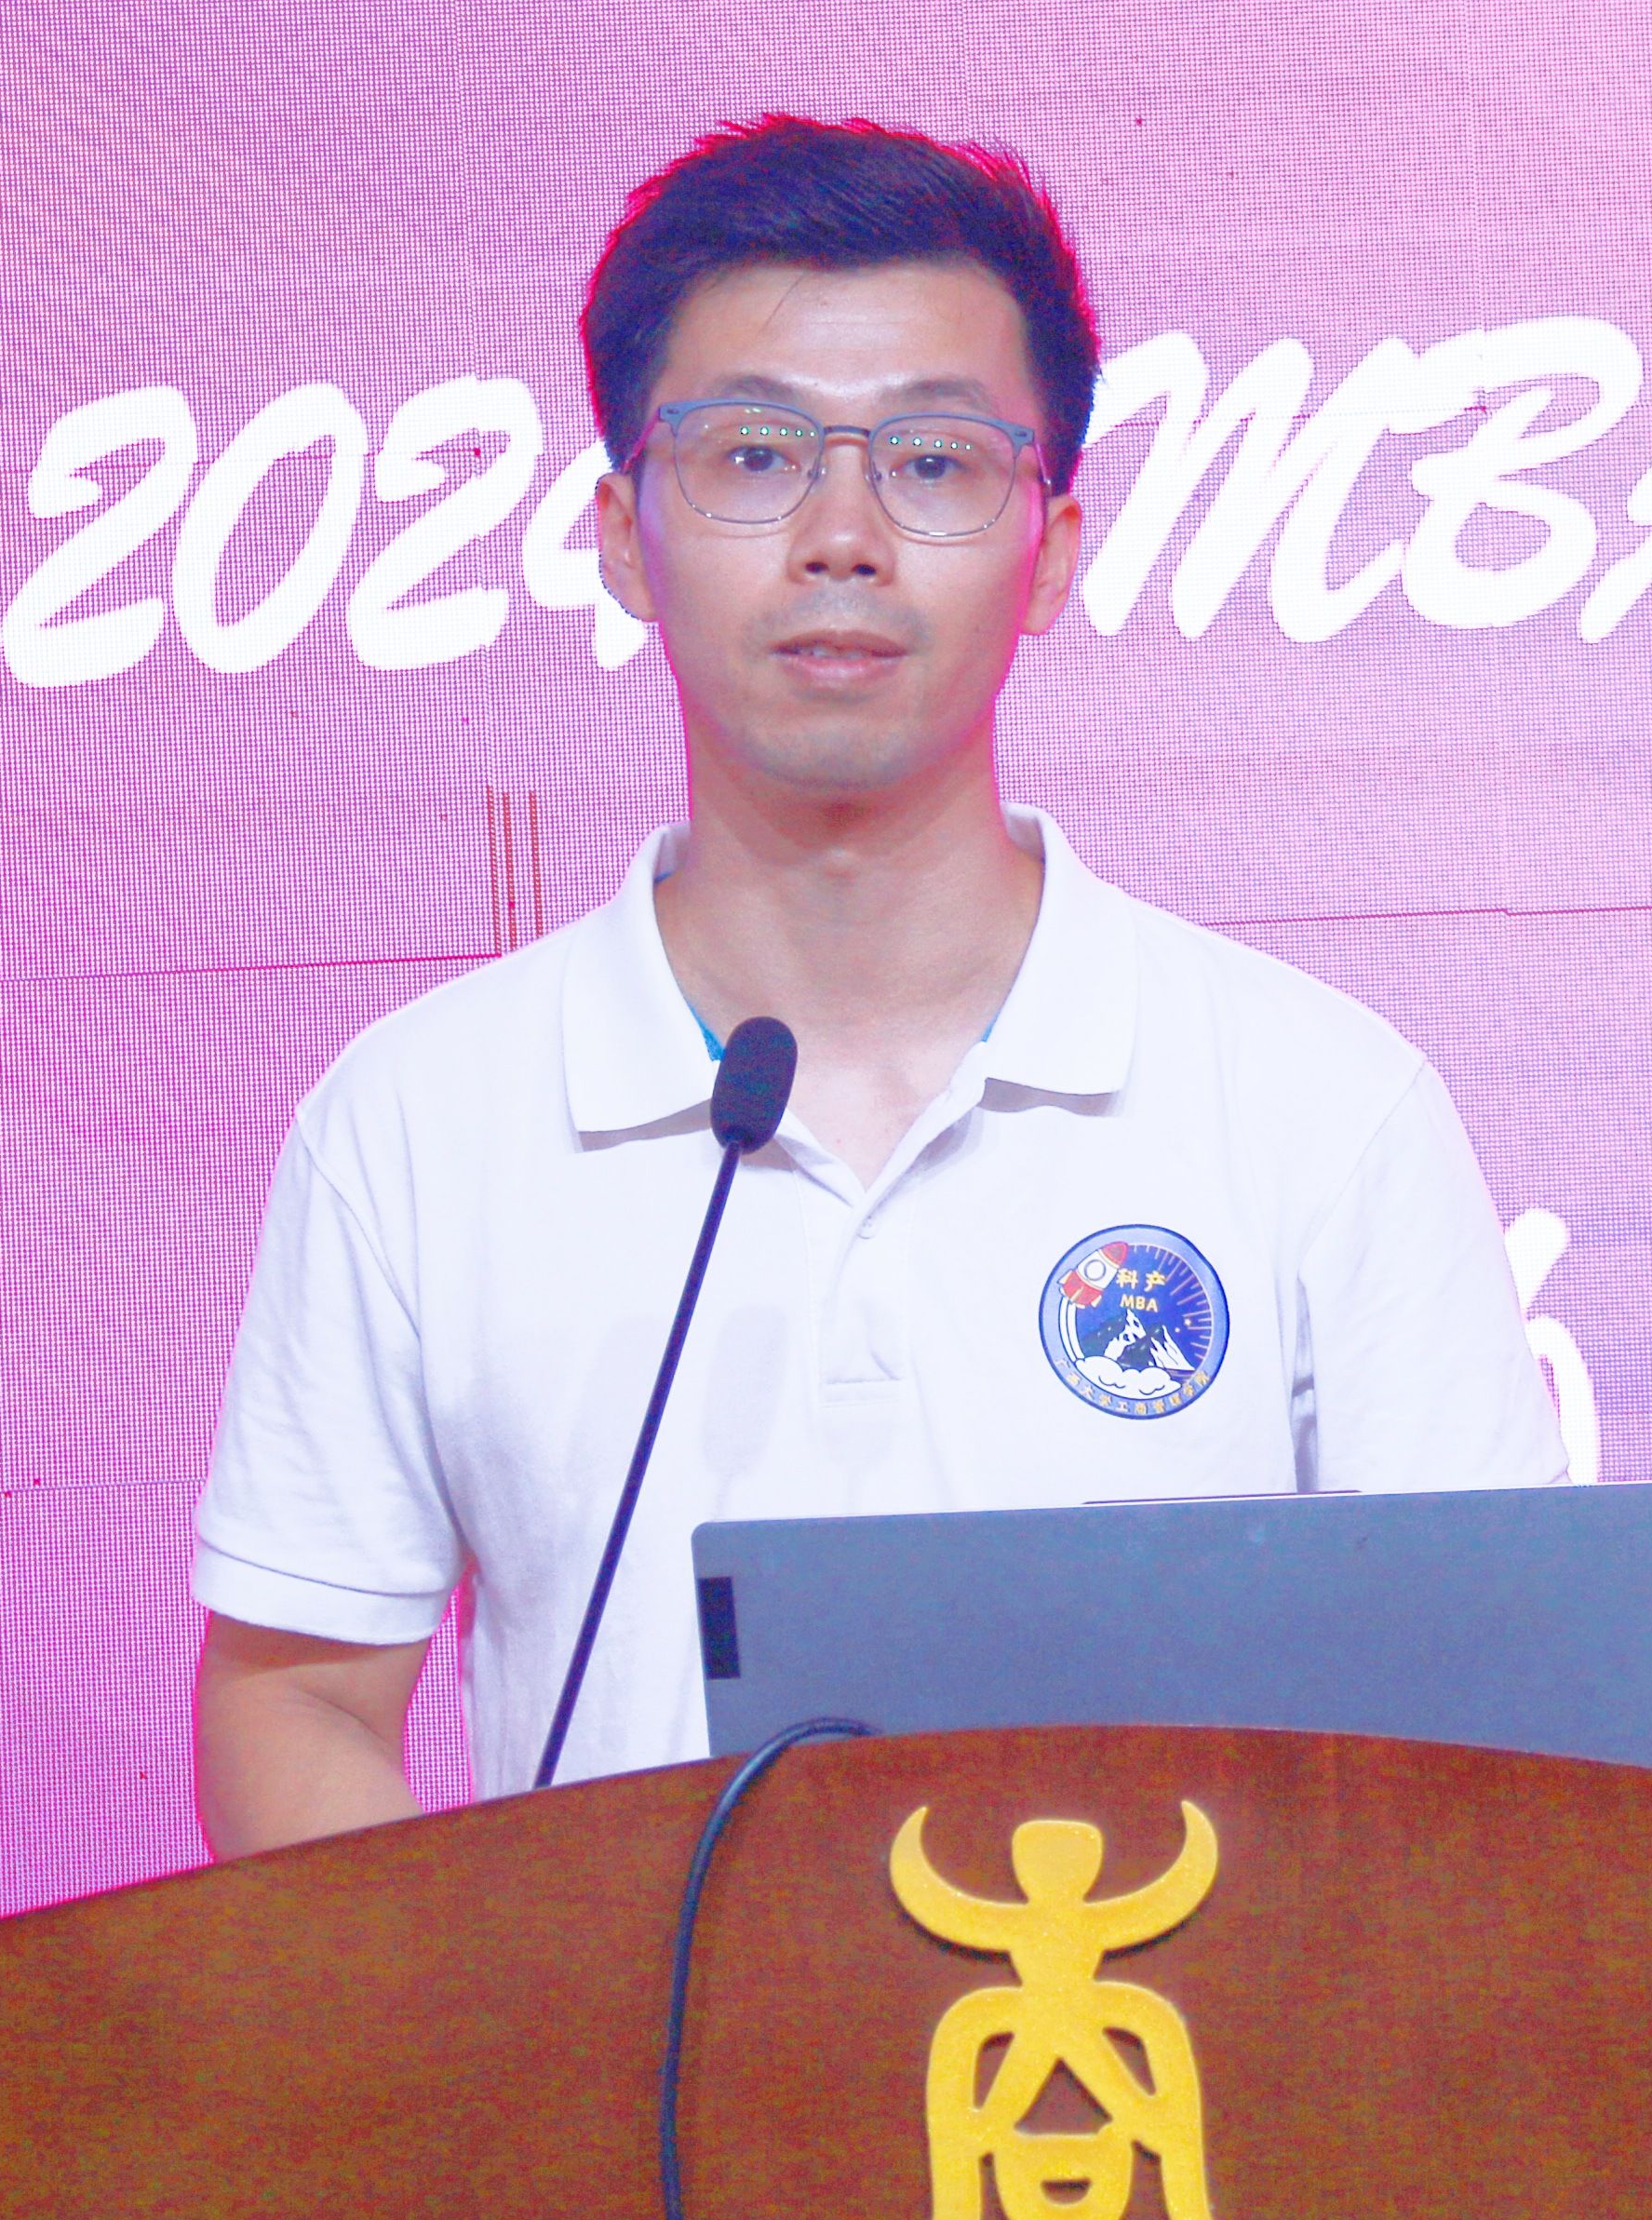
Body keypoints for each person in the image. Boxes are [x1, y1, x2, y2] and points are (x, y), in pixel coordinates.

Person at [187, 115, 1566, 1854]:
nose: (841, 535)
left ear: (1050, 550)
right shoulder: (417, 1122)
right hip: (628, 2042)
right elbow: (298, 1697)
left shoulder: (1316, 1107)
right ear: (621, 536)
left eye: (931, 462)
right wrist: (494, 2022)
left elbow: (1504, 1719)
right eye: (756, 455)